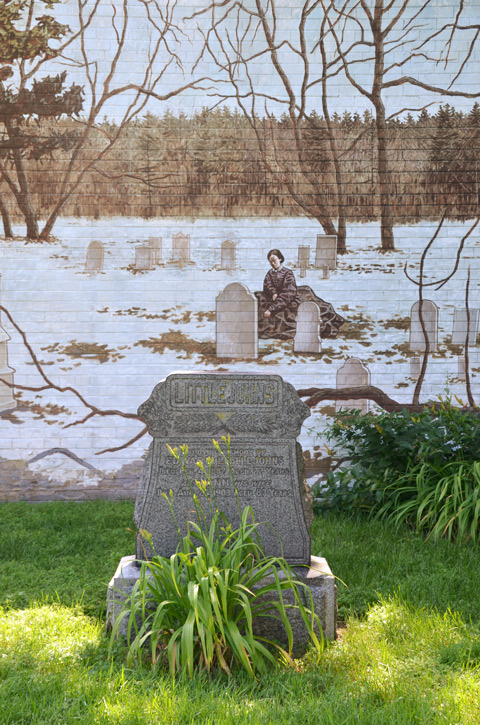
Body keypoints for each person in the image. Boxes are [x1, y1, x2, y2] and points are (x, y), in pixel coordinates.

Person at [263, 248, 297, 319]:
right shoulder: (269, 273)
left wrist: (271, 308)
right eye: (270, 261)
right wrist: (273, 293)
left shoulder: (288, 273)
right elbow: (268, 285)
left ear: (280, 259)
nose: (272, 263)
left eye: (274, 260)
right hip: (273, 299)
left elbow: (288, 293)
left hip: (285, 300)